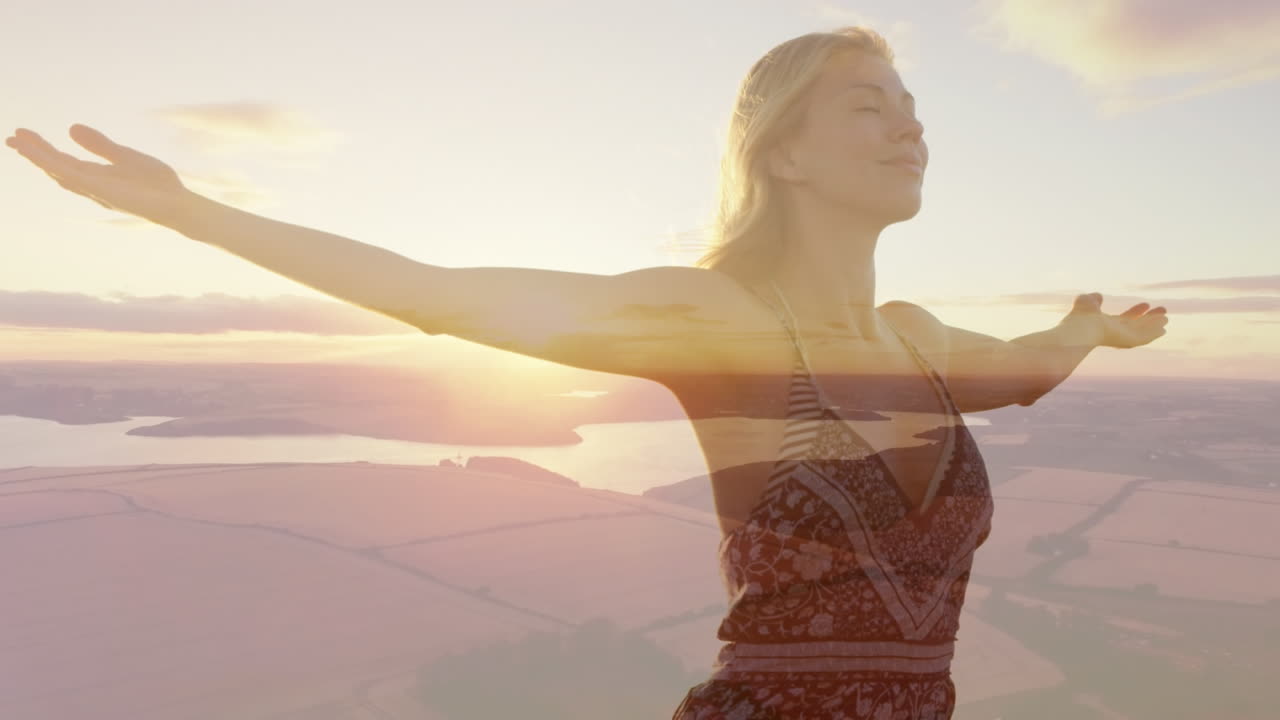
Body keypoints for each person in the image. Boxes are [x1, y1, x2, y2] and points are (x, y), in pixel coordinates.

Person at [6, 25, 1167, 719]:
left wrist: (1085, 337)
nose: (911, 128)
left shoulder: (916, 341)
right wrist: (189, 211)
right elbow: (437, 291)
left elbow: (1016, 371)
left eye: (915, 110)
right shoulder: (718, 317)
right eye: (871, 105)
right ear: (785, 154)